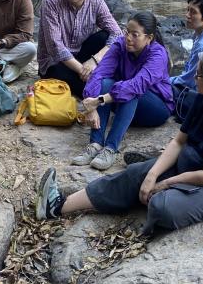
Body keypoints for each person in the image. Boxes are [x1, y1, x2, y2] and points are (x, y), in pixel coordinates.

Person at [34, 47, 203, 236]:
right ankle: (58, 206)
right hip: (196, 162)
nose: (195, 78)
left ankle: (162, 197)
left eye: (199, 75)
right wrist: (153, 175)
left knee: (163, 205)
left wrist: (165, 183)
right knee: (137, 174)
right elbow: (179, 141)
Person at [73, 12, 174, 171]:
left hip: (155, 108)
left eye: (135, 35)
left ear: (149, 38)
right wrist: (90, 105)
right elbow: (99, 74)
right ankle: (95, 143)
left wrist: (98, 101)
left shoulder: (158, 54)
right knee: (106, 82)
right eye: (127, 32)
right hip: (125, 103)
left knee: (130, 90)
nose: (128, 38)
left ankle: (111, 148)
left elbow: (136, 85)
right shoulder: (120, 45)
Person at [36, 0, 122, 96]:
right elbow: (56, 47)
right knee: (91, 87)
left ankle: (98, 80)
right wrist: (84, 71)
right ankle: (97, 84)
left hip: (82, 55)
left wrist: (95, 60)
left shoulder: (96, 3)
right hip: (56, 63)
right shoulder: (51, 2)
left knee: (104, 37)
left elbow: (117, 34)